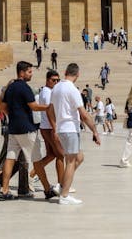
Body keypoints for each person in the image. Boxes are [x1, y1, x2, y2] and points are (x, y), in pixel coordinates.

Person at [49, 63, 100, 205]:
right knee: (70, 162)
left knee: (79, 157)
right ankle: (64, 196)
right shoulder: (72, 90)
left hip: (62, 129)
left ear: (65, 72)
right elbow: (83, 114)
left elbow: (50, 110)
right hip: (70, 128)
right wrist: (95, 131)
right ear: (77, 75)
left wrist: (55, 127)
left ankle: (61, 187)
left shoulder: (56, 87)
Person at [0, 61, 49, 200]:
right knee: (36, 160)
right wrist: (49, 107)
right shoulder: (24, 88)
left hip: (13, 128)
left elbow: (1, 106)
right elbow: (34, 106)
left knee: (10, 158)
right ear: (22, 72)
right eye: (29, 72)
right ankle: (48, 190)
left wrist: (13, 114)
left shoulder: (11, 87)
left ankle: (5, 190)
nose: (31, 74)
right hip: (27, 129)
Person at [32, 70, 65, 199]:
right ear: (47, 80)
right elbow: (49, 111)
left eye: (58, 80)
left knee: (51, 154)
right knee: (61, 155)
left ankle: (33, 174)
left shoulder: (48, 91)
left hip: (46, 127)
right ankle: (62, 185)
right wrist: (55, 128)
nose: (56, 82)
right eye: (53, 80)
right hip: (50, 127)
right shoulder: (47, 93)